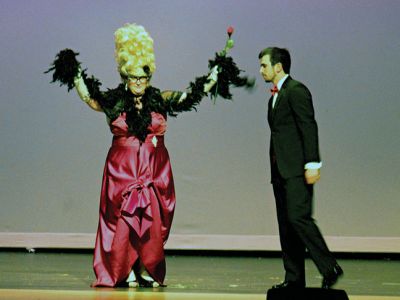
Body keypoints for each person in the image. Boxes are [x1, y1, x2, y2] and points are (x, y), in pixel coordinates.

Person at [46, 23, 253, 288]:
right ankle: (124, 269)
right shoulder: (115, 101)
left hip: (155, 169)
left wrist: (214, 74)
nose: (139, 83)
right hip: (122, 170)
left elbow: (191, 96)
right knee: (123, 220)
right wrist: (75, 74)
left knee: (153, 220)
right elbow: (90, 98)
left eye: (143, 78)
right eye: (134, 78)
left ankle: (145, 267)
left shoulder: (160, 98)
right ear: (125, 77)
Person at [258, 47, 343, 289]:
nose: (261, 70)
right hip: (280, 171)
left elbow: (308, 126)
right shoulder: (274, 96)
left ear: (278, 67)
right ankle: (294, 279)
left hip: (296, 169)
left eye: (264, 65)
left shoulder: (296, 91)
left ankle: (330, 267)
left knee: (299, 218)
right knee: (286, 225)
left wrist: (313, 163)